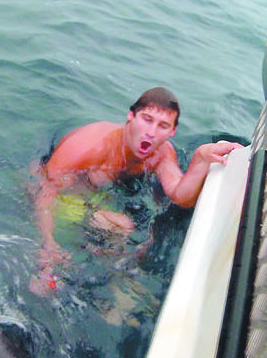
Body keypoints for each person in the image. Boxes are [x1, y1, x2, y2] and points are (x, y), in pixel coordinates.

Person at [29, 87, 243, 296]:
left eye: (163, 125)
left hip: (100, 195)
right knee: (115, 228)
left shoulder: (161, 152)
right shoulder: (88, 146)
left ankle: (112, 285)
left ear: (172, 131)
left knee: (129, 234)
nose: (151, 132)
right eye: (147, 119)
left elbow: (180, 197)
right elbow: (44, 193)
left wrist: (201, 159)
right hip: (62, 196)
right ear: (131, 115)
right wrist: (48, 241)